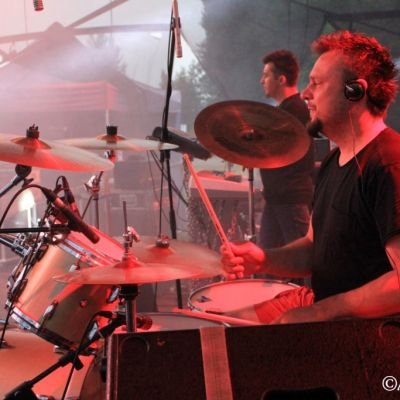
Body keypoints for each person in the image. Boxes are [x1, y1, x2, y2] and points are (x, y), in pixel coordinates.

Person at [221, 30, 400, 325]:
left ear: (354, 91)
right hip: (322, 303)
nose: (305, 93)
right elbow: (313, 249)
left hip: (365, 330)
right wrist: (262, 259)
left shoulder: (389, 164)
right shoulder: (333, 160)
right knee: (224, 326)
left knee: (250, 340)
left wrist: (320, 312)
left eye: (316, 83)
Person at [258, 50, 314, 251]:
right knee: (268, 259)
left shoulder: (295, 110)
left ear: (281, 79)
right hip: (277, 197)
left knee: (302, 257)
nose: (261, 81)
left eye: (266, 75)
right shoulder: (285, 111)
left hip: (291, 198)